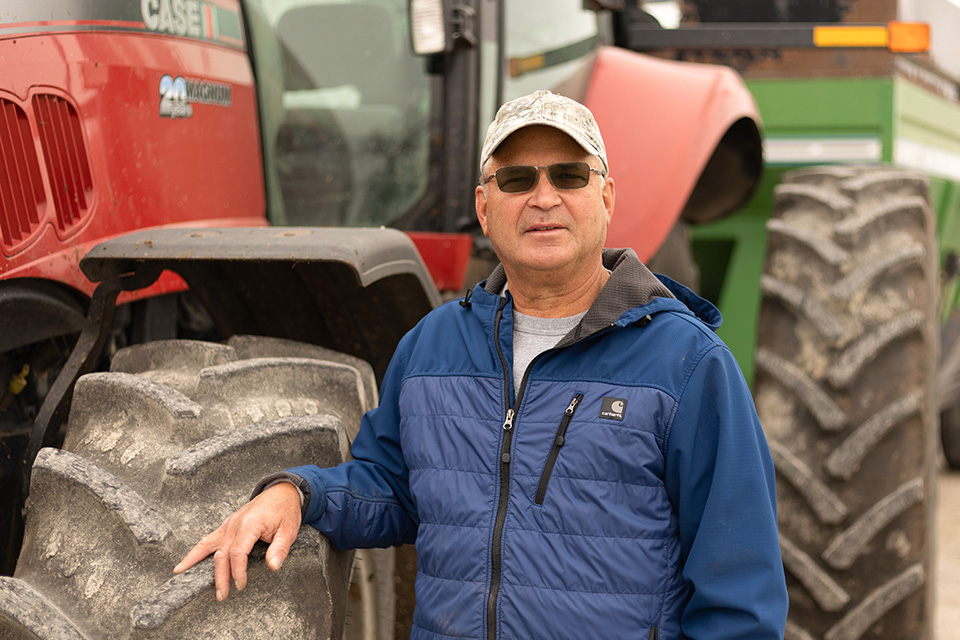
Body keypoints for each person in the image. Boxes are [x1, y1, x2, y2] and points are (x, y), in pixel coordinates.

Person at [175, 90, 788, 639]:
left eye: (569, 176)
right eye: (517, 180)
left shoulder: (684, 363)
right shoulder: (433, 345)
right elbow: (394, 488)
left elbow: (739, 592)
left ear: (605, 197)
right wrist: (297, 492)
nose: (543, 198)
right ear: (485, 204)